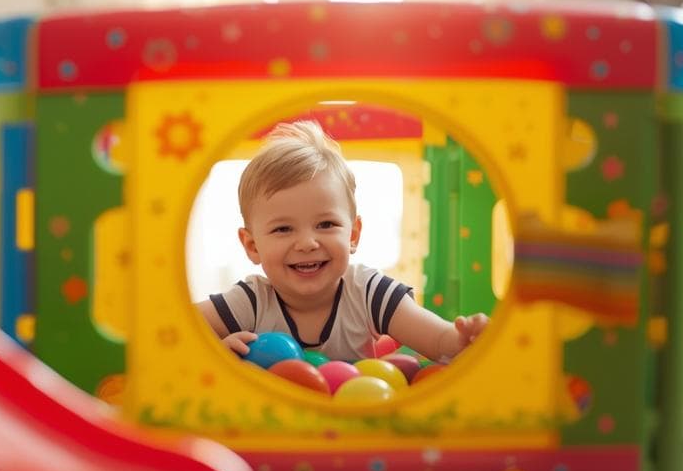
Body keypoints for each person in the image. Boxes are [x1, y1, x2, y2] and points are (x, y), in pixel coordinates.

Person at [196, 120, 490, 363]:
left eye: (326, 224)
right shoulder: (251, 301)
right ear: (252, 246)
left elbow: (438, 339)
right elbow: (177, 331)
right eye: (283, 229)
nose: (307, 243)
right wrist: (216, 354)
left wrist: (462, 339)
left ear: (352, 235)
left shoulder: (367, 292)